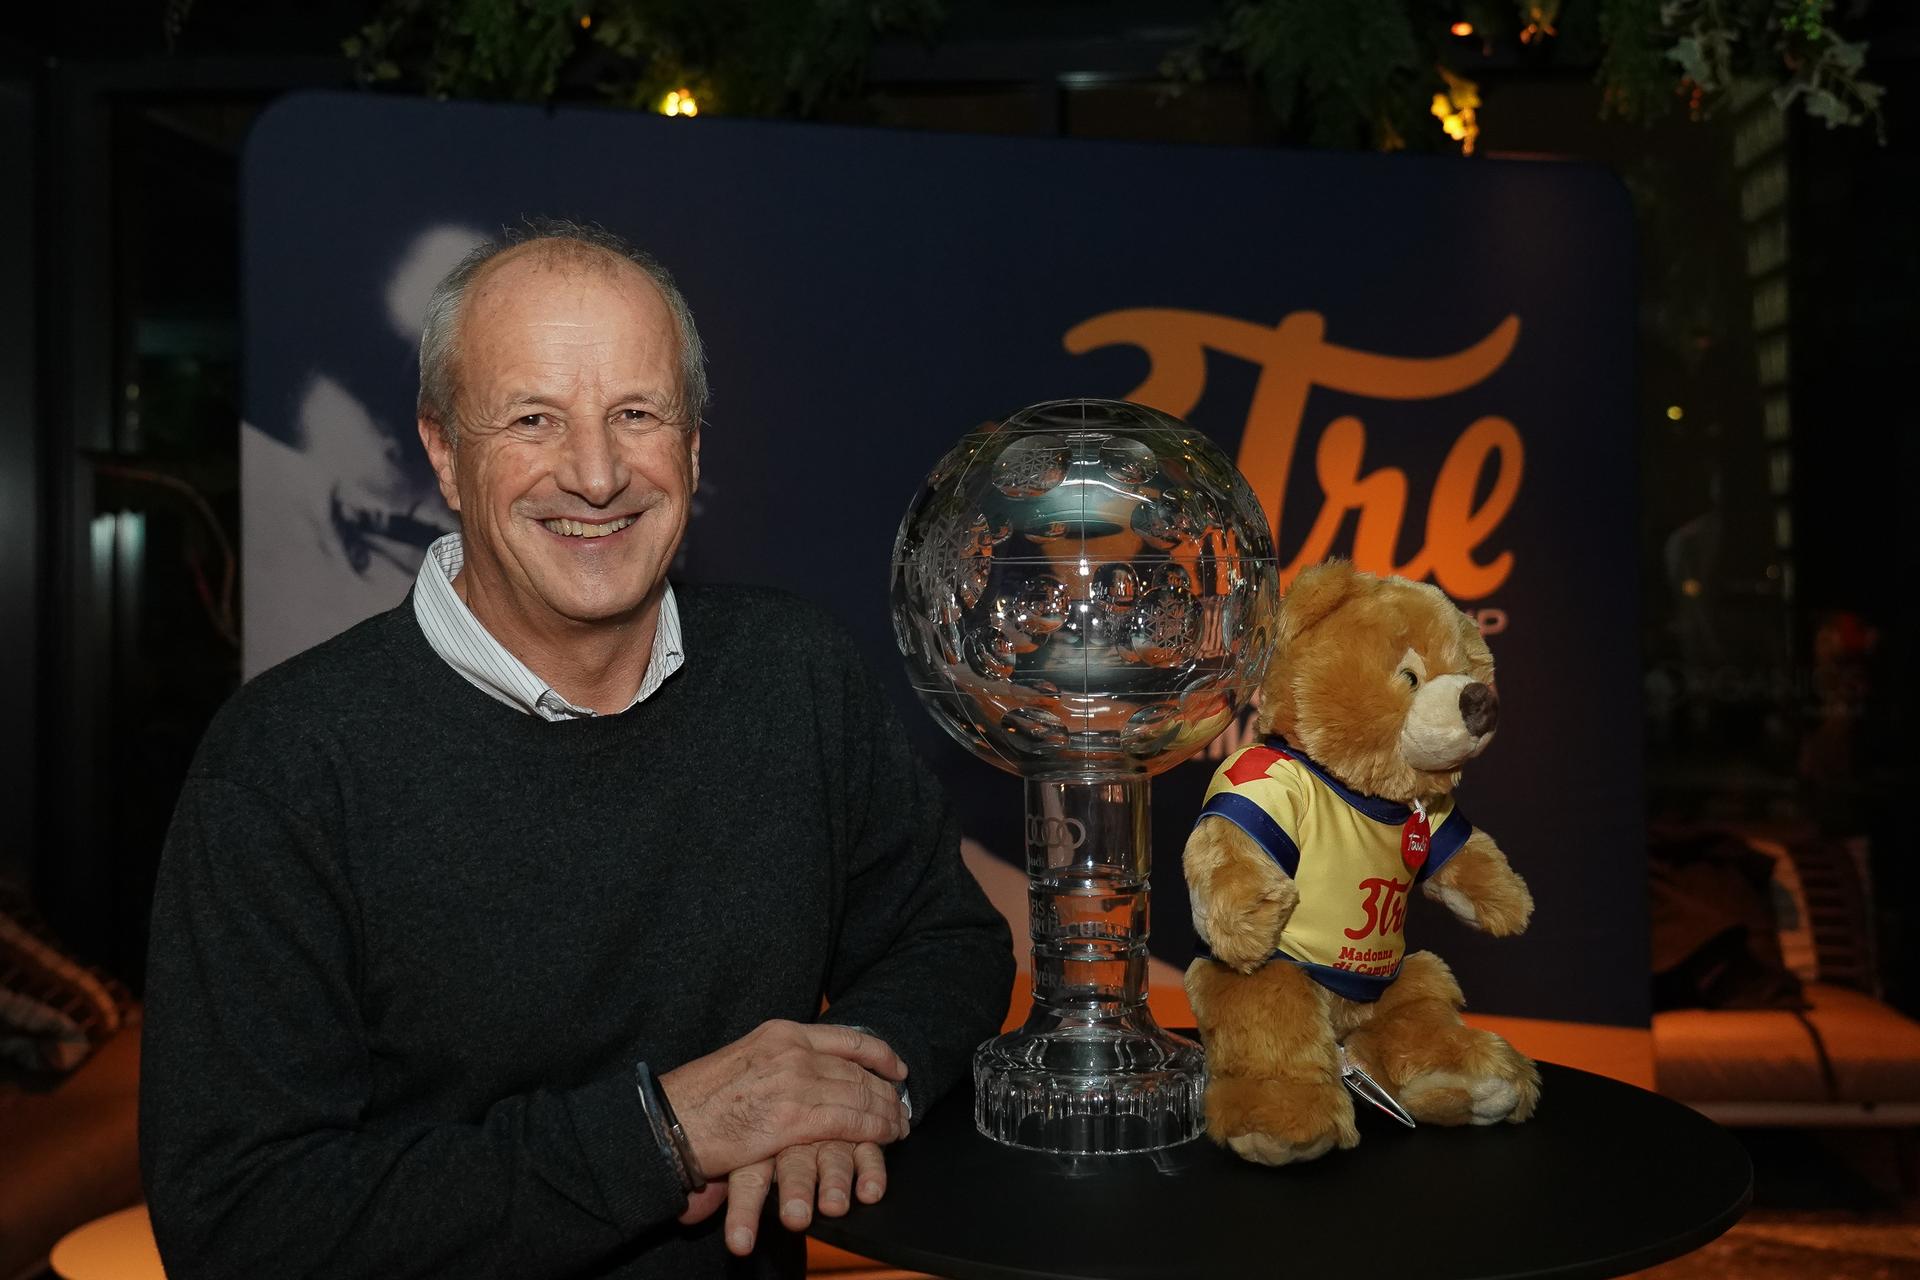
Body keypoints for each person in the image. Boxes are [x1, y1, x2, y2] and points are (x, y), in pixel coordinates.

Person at [139, 219, 1014, 1279]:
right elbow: (238, 1224)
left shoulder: (796, 673)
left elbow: (947, 940)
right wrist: (660, 1137)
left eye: (636, 414)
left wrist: (851, 1091)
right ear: (443, 452)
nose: (596, 475)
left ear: (693, 447)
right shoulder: (284, 762)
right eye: (533, 419)